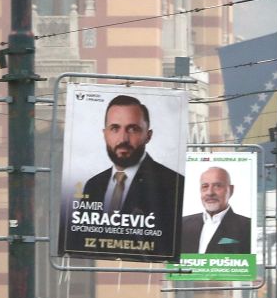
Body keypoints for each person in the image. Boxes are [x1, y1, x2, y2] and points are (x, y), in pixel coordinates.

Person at [71, 95, 183, 248]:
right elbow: (80, 241)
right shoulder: (93, 185)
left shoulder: (173, 184)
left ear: (148, 136)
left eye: (133, 129)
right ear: (105, 134)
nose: (123, 138)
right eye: (115, 128)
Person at [179, 166, 253, 254]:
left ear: (231, 190)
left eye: (217, 186)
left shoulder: (248, 227)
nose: (210, 193)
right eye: (205, 186)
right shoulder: (181, 224)